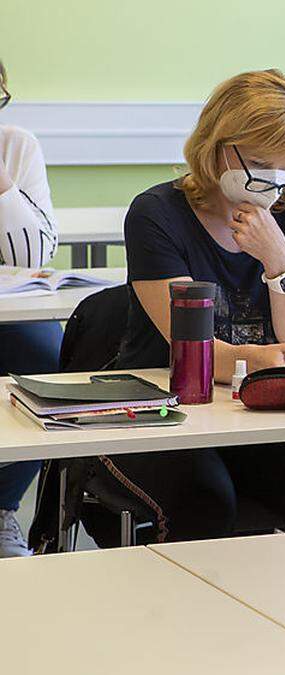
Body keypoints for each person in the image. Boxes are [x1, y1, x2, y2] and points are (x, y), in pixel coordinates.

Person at [83, 70, 285, 547]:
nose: (270, 182)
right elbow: (190, 347)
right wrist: (252, 359)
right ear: (215, 147)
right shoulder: (157, 214)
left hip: (262, 410)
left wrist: (278, 258)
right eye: (256, 162)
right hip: (163, 408)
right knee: (204, 502)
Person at [0, 57, 60, 557]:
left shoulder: (16, 146)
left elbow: (32, 257)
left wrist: (2, 182)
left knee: (54, 360)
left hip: (7, 313)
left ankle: (1, 508)